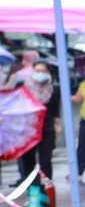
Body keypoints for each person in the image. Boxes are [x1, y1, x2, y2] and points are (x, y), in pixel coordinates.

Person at [10, 53, 55, 185]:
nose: (40, 73)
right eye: (37, 71)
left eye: (43, 71)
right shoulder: (22, 86)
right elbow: (14, 105)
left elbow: (55, 110)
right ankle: (33, 188)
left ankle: (47, 186)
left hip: (46, 128)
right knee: (28, 160)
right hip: (26, 128)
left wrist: (56, 126)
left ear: (48, 72)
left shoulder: (53, 88)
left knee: (45, 160)